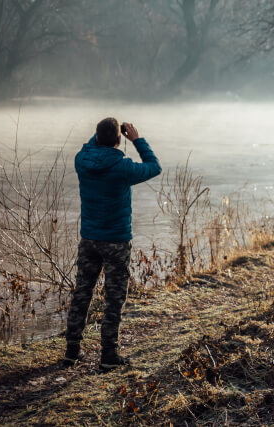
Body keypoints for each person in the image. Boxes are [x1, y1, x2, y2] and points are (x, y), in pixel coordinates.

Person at [63, 117, 161, 371]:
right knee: (113, 299)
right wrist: (137, 139)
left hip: (89, 240)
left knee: (82, 294)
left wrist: (102, 136)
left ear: (95, 138)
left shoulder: (81, 161)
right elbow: (154, 166)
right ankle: (108, 355)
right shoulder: (123, 167)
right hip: (116, 241)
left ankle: (72, 351)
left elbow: (90, 147)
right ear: (119, 140)